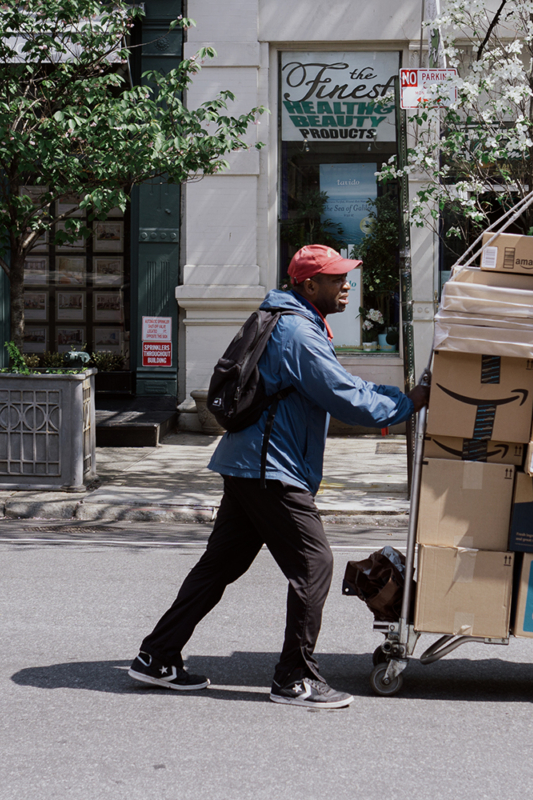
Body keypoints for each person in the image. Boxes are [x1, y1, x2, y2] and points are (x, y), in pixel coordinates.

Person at [128, 244, 429, 709]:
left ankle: (157, 656)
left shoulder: (293, 322)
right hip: (272, 469)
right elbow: (344, 395)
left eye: (346, 276)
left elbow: (338, 382)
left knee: (220, 567)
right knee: (315, 564)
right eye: (337, 278)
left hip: (248, 464)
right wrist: (407, 402)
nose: (347, 284)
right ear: (311, 286)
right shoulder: (296, 331)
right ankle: (293, 679)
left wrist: (398, 396)